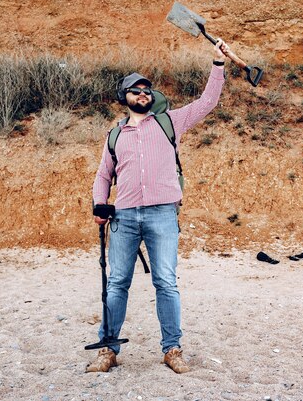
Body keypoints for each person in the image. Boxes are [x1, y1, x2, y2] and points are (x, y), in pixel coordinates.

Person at [86, 40, 229, 374]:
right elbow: (103, 175)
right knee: (117, 282)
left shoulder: (170, 123)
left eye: (147, 89)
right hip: (123, 218)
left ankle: (172, 349)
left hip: (163, 214)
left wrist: (218, 64)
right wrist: (99, 203)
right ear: (124, 98)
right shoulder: (114, 134)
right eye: (135, 90)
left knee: (166, 281)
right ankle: (108, 349)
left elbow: (208, 102)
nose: (143, 93)